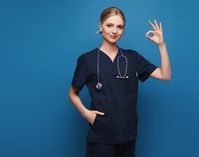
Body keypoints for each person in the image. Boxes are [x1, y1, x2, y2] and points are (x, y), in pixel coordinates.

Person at [69, 6, 171, 157]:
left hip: (127, 135)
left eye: (119, 27)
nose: (114, 31)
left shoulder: (133, 58)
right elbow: (72, 93)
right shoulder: (87, 60)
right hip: (101, 135)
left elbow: (165, 75)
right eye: (109, 25)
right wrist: (86, 114)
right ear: (101, 26)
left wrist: (162, 45)